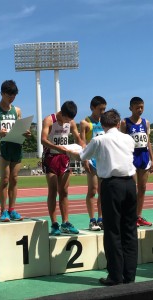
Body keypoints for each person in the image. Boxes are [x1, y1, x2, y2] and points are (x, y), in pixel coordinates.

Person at [67, 109, 138, 285]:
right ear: (118, 122)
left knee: (112, 231)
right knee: (129, 230)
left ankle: (115, 276)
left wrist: (68, 150)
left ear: (102, 124)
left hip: (111, 185)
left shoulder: (99, 139)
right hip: (130, 184)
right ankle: (129, 275)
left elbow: (83, 155)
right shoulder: (128, 139)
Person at [0, 80, 31, 222]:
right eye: (9, 96)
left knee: (15, 179)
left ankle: (12, 209)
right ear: (2, 94)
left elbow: (20, 126)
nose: (12, 98)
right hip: (3, 146)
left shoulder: (17, 110)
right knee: (5, 179)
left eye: (14, 96)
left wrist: (26, 133)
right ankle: (3, 211)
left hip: (17, 145)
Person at [41, 100, 85, 235]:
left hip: (64, 158)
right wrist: (57, 148)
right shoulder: (49, 120)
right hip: (50, 157)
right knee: (53, 191)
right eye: (67, 119)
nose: (69, 122)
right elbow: (43, 140)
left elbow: (78, 138)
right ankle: (54, 224)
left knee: (64, 191)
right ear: (61, 113)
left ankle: (65, 222)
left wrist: (83, 147)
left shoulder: (70, 122)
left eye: (71, 119)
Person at [120, 97, 153, 227]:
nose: (140, 110)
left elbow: (148, 142)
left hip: (144, 156)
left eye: (142, 107)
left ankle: (138, 216)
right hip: (131, 158)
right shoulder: (125, 123)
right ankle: (130, 216)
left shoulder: (146, 122)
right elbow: (121, 141)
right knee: (131, 189)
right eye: (137, 107)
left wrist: (152, 158)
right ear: (131, 108)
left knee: (143, 188)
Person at [79, 96, 107, 231]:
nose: (103, 112)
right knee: (92, 191)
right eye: (100, 109)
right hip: (92, 161)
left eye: (104, 109)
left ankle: (101, 219)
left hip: (104, 161)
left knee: (103, 192)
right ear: (92, 108)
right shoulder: (85, 123)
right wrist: (84, 160)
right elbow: (82, 142)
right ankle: (92, 220)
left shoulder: (106, 122)